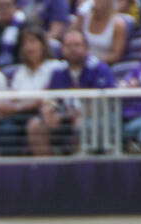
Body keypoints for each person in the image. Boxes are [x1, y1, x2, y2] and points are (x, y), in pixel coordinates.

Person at [27, 29, 114, 157]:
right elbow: (50, 98)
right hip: (65, 117)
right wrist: (49, 110)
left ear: (86, 48)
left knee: (80, 124)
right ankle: (48, 170)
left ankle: (77, 169)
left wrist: (75, 114)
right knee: (35, 125)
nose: (73, 49)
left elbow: (104, 101)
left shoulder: (99, 69)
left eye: (77, 45)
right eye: (68, 46)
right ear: (62, 49)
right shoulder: (58, 72)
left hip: (93, 118)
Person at [0, 27, 56, 156]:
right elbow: (12, 96)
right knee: (4, 127)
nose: (29, 47)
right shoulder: (20, 72)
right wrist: (2, 105)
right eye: (25, 43)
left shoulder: (54, 67)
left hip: (42, 114)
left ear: (43, 45)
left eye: (33, 42)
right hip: (19, 115)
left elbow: (43, 98)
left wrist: (16, 107)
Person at [75, 0, 128, 65]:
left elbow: (116, 55)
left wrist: (94, 60)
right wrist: (80, 15)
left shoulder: (118, 25)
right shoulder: (84, 17)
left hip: (102, 65)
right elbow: (71, 36)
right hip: (79, 60)